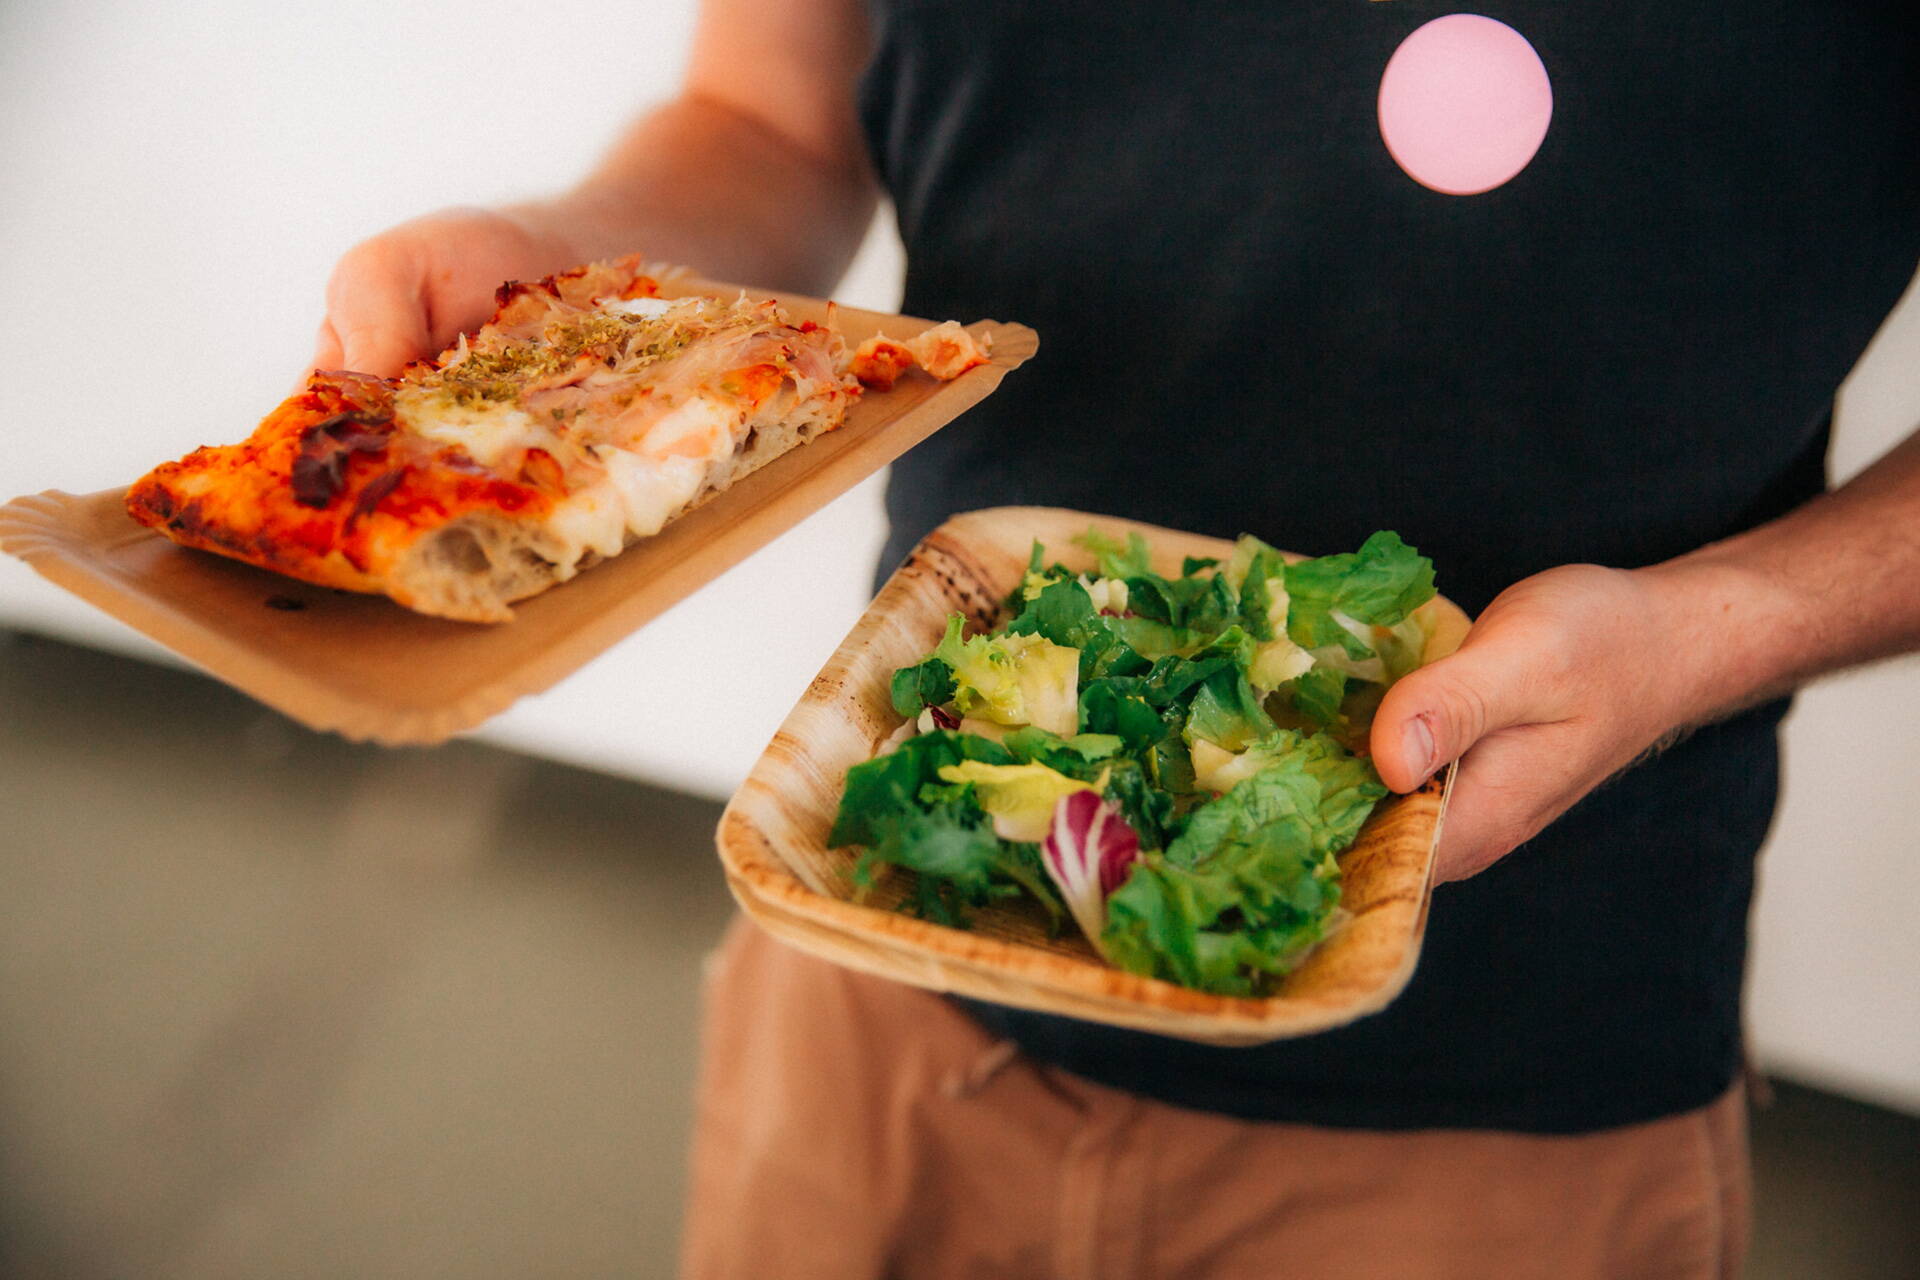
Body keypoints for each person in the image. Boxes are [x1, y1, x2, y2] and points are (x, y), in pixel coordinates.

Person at [313, 2, 1920, 1275]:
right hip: (887, 970)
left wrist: (1696, 642)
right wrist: (581, 289)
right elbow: (770, 115)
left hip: (1510, 1116)